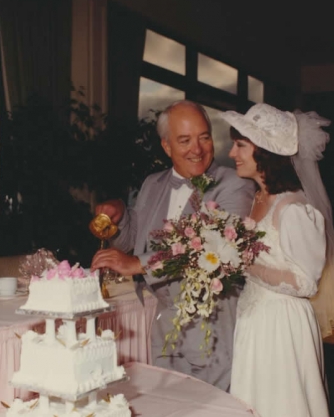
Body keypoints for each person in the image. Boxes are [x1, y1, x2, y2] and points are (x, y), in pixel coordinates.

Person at [91, 100, 255, 390]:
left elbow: (209, 251)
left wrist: (136, 264)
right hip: (164, 325)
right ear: (166, 146)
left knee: (209, 409)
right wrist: (118, 219)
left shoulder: (234, 184)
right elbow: (132, 242)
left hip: (212, 325)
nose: (198, 149)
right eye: (185, 140)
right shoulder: (152, 184)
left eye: (204, 137)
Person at [220, 103, 334, 417]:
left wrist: (244, 262)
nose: (232, 153)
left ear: (264, 152)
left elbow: (306, 282)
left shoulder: (294, 209)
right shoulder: (259, 198)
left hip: (282, 325)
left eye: (240, 145)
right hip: (255, 318)